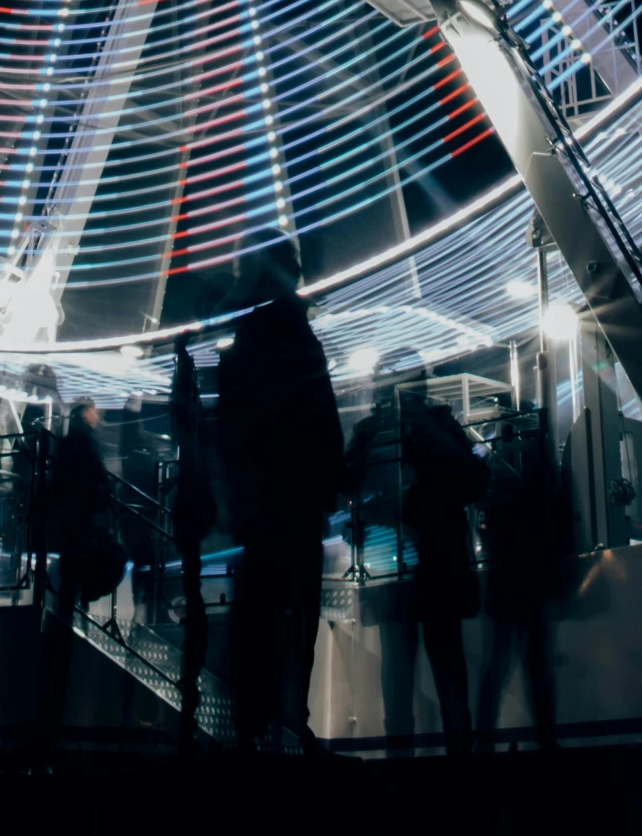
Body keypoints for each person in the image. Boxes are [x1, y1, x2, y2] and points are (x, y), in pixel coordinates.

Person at [215, 238, 343, 750]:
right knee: (296, 614)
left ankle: (256, 723)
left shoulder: (247, 334)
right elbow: (320, 411)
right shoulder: (293, 331)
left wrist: (235, 493)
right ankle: (289, 717)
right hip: (296, 497)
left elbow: (230, 425)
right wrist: (330, 478)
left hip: (262, 502)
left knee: (263, 614)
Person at [344, 351, 487, 759]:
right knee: (446, 667)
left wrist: (370, 513)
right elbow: (476, 480)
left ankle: (400, 764)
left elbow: (345, 483)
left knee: (399, 671)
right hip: (438, 561)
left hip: (393, 567)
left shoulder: (370, 431)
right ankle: (458, 758)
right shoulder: (439, 424)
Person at [475, 406, 566, 751]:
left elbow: (487, 524)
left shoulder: (497, 477)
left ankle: (483, 741)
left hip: (504, 580)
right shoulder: (542, 471)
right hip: (532, 578)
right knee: (536, 666)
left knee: (497, 665)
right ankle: (546, 740)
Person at [36, 398, 120, 771]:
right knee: (110, 562)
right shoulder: (82, 442)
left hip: (73, 533)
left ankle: (73, 610)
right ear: (85, 413)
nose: (99, 415)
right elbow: (91, 481)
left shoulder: (73, 442)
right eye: (95, 410)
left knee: (75, 590)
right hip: (81, 532)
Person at [169, 340, 217, 749]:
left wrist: (181, 364)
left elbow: (179, 409)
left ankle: (193, 667)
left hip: (191, 506)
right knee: (193, 586)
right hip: (197, 507)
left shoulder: (190, 426)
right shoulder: (200, 426)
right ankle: (193, 665)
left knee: (192, 586)